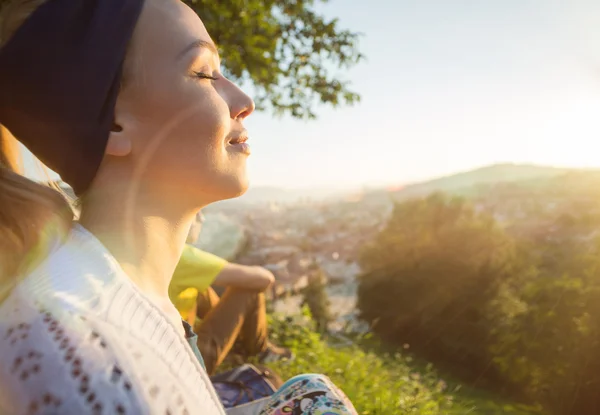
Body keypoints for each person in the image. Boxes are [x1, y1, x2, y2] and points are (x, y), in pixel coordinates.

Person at [0, 0, 358, 414]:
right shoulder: (94, 372)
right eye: (205, 73)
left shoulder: (112, 293)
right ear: (113, 124)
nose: (244, 99)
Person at [170, 212, 292, 375]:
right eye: (196, 212)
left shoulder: (156, 253)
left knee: (201, 288)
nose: (202, 219)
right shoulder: (181, 257)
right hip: (191, 363)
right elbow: (264, 279)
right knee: (247, 290)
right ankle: (260, 351)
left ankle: (238, 344)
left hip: (171, 352)